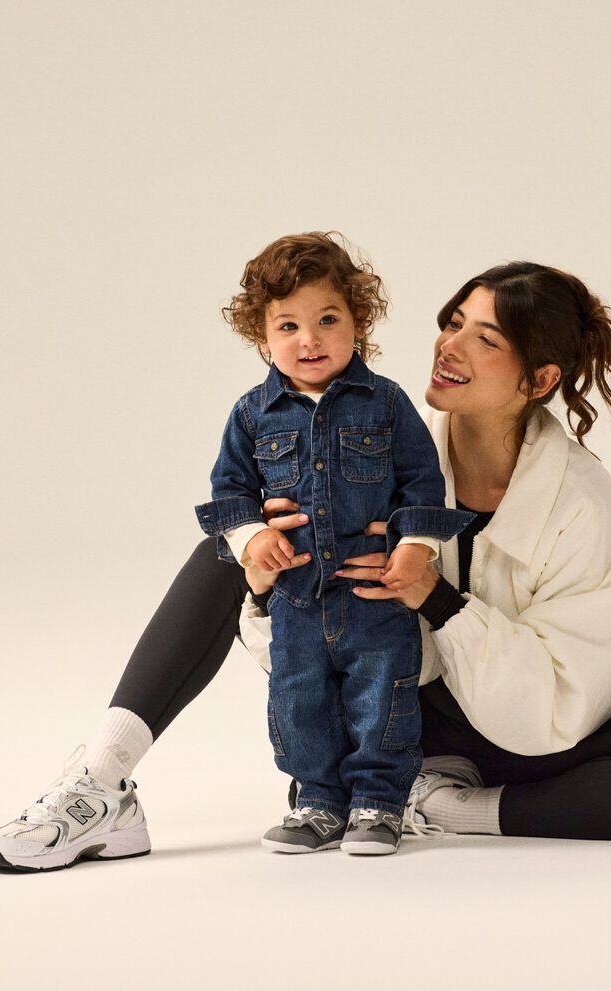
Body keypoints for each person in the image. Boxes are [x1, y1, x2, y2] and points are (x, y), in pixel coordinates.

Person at [0, 248, 611, 873]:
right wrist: (262, 567)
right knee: (232, 539)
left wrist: (434, 597)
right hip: (389, 703)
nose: (449, 345)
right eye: (452, 322)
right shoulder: (375, 438)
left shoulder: (587, 507)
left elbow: (557, 703)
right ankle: (101, 782)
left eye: (485, 338)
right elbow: (301, 604)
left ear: (538, 379)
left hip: (526, 738)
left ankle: (442, 806)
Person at [194, 233, 472, 855]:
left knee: (383, 697)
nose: (309, 340)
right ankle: (317, 801)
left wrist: (414, 548)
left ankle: (378, 802)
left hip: (374, 597)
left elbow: (422, 486)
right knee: (300, 701)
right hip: (296, 598)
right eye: (288, 326)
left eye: (327, 320)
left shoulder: (388, 403)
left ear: (358, 324)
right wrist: (252, 538)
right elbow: (229, 492)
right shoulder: (251, 414)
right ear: (262, 338)